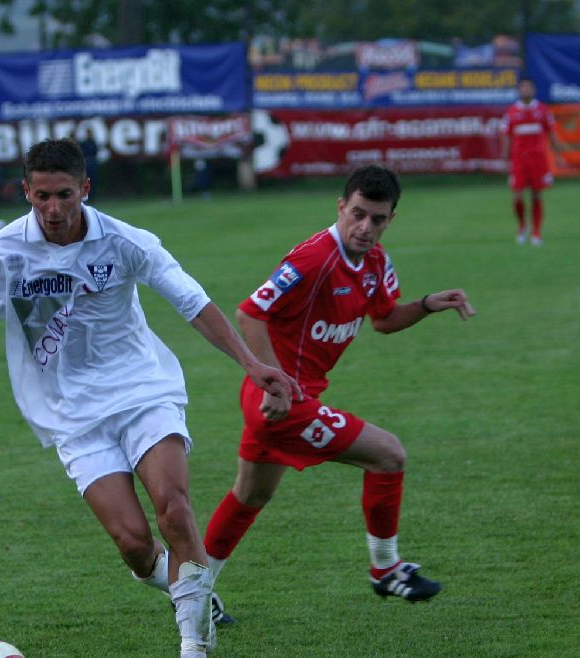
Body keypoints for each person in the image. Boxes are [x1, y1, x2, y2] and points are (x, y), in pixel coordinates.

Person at [0, 138, 301, 658]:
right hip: (71, 415)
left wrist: (251, 364)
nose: (54, 209)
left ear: (85, 190)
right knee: (132, 542)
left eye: (65, 195)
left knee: (174, 507)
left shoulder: (125, 241)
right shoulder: (0, 254)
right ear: (26, 192)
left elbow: (191, 301)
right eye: (42, 196)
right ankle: (187, 589)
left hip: (142, 390)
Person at [202, 164, 476, 610]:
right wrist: (275, 383)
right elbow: (250, 313)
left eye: (378, 219)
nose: (366, 228)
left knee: (250, 495)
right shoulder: (313, 259)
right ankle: (386, 569)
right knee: (389, 455)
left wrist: (428, 305)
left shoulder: (375, 262)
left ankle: (194, 591)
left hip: (284, 399)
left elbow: (384, 319)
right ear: (341, 207)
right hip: (280, 402)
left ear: (391, 219)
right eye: (358, 214)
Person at [503, 76, 562, 246]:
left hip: (538, 159)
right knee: (518, 196)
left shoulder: (543, 110)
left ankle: (536, 232)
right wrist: (505, 159)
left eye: (529, 87)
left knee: (536, 194)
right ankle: (522, 226)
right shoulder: (512, 112)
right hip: (519, 160)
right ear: (518, 90)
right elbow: (506, 136)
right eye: (523, 87)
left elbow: (551, 133)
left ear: (534, 90)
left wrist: (558, 154)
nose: (526, 90)